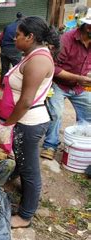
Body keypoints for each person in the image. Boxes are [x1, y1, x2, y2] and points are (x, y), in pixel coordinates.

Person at [0, 16, 59, 228]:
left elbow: (26, 101)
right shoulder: (30, 55)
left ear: (30, 37)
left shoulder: (38, 60)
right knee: (22, 160)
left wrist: (7, 124)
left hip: (29, 122)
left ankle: (25, 215)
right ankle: (18, 182)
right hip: (23, 120)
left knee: (30, 169)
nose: (14, 39)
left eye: (18, 36)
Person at [40, 8, 91, 160]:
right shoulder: (66, 39)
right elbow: (53, 67)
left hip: (80, 86)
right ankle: (50, 145)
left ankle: (81, 143)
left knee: (88, 115)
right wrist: (78, 77)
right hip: (59, 84)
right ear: (87, 27)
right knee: (56, 113)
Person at [0, 12, 23, 82]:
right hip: (15, 50)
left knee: (5, 69)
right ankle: (16, 85)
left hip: (4, 49)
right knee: (17, 69)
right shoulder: (23, 28)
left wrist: (3, 47)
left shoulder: (8, 26)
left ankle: (3, 85)